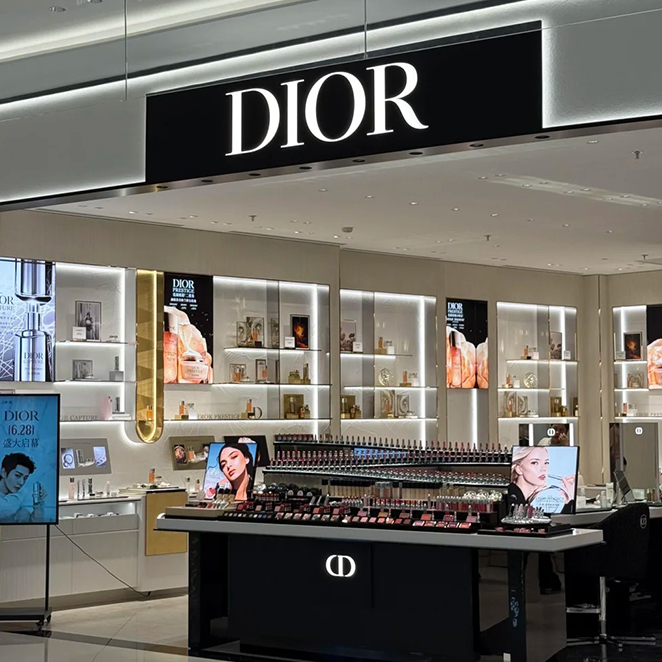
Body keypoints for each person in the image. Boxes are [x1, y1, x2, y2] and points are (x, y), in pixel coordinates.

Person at [509, 446, 575, 511]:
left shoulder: (523, 499)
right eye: (534, 463)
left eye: (546, 463)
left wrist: (569, 500)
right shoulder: (512, 499)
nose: (544, 469)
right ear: (519, 469)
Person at [0, 453, 47, 523]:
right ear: (4, 472)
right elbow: (3, 511)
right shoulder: (16, 500)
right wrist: (21, 494)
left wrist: (38, 504)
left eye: (25, 478)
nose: (21, 482)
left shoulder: (18, 506)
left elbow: (35, 524)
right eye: (17, 475)